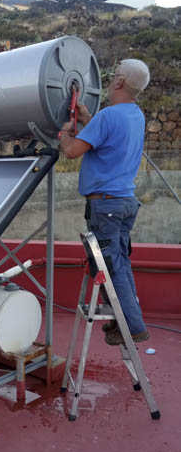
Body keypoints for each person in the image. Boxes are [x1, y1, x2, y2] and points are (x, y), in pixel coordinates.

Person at [59, 59, 150, 346]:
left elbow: (73, 151)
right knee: (120, 263)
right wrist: (89, 120)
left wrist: (63, 133)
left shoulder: (108, 117)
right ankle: (122, 320)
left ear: (120, 82)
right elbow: (109, 137)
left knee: (111, 268)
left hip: (105, 207)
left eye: (114, 75)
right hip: (124, 203)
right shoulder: (135, 115)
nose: (110, 80)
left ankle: (132, 326)